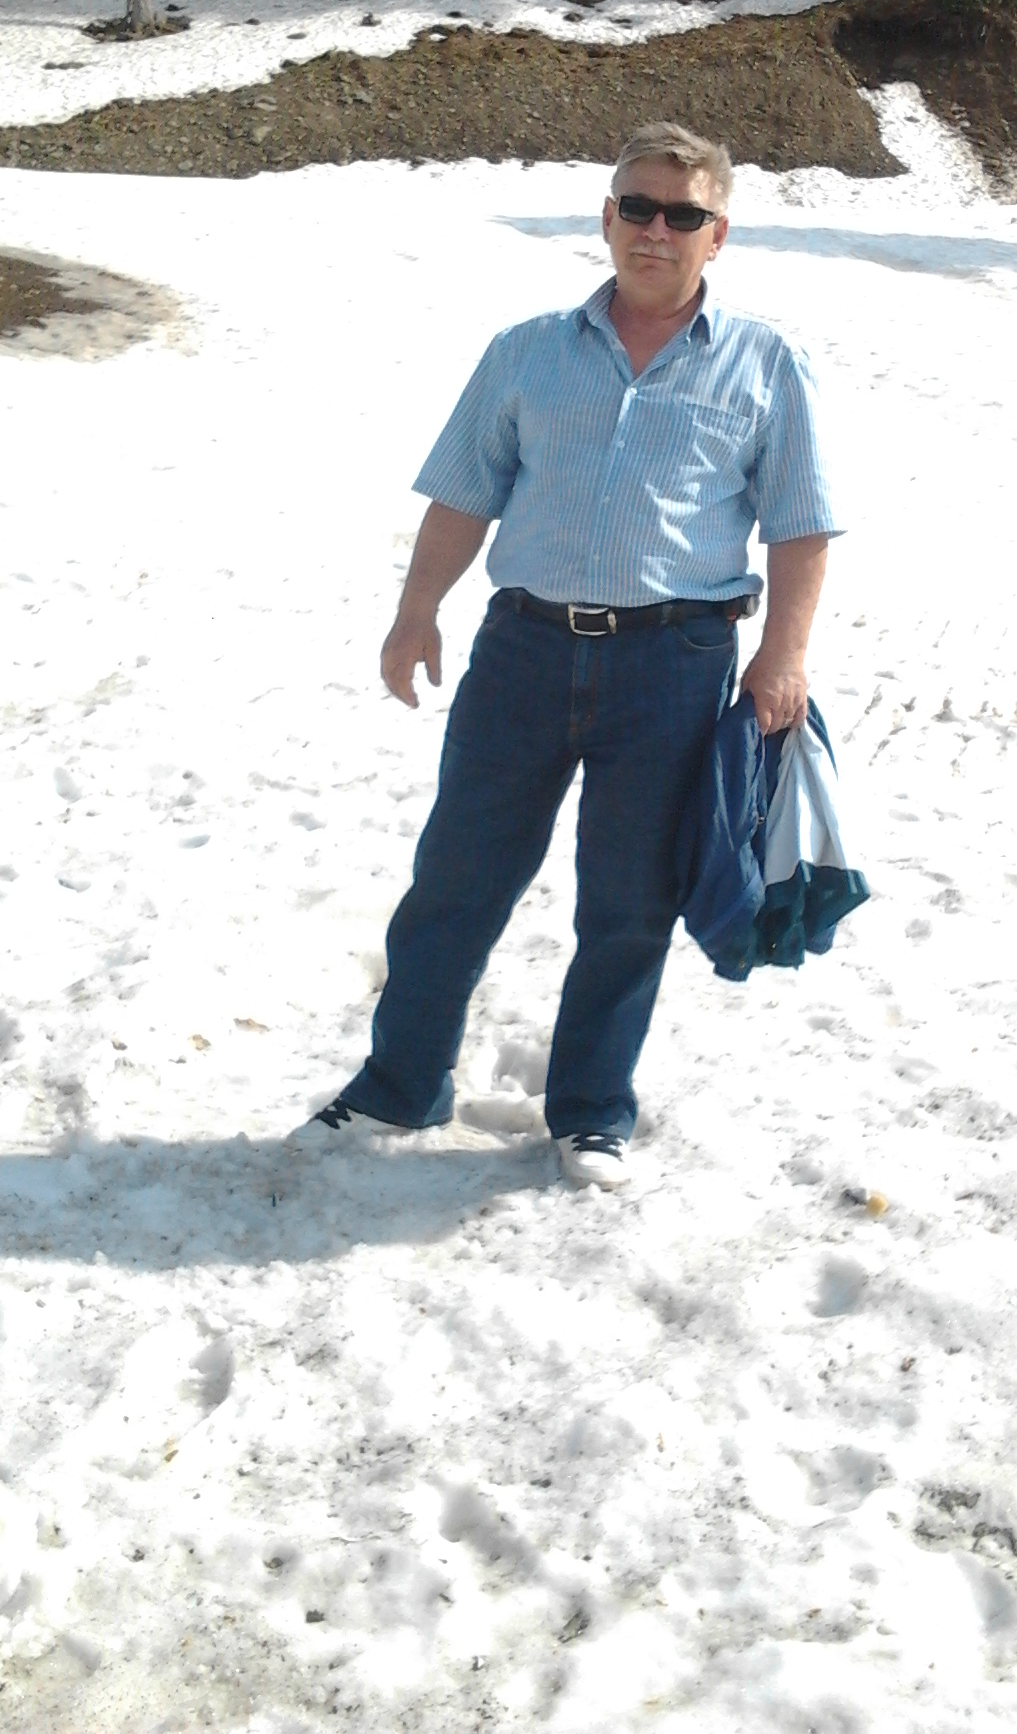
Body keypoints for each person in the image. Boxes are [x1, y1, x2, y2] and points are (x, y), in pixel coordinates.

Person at [311, 122, 839, 1188]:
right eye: (637, 207)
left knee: (630, 903)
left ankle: (592, 1110)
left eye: (682, 214)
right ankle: (401, 1082)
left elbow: (801, 524)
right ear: (606, 219)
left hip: (675, 663)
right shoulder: (527, 352)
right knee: (456, 878)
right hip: (523, 652)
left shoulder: (766, 364)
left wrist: (782, 658)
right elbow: (464, 494)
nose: (656, 230)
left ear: (718, 235)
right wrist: (416, 611)